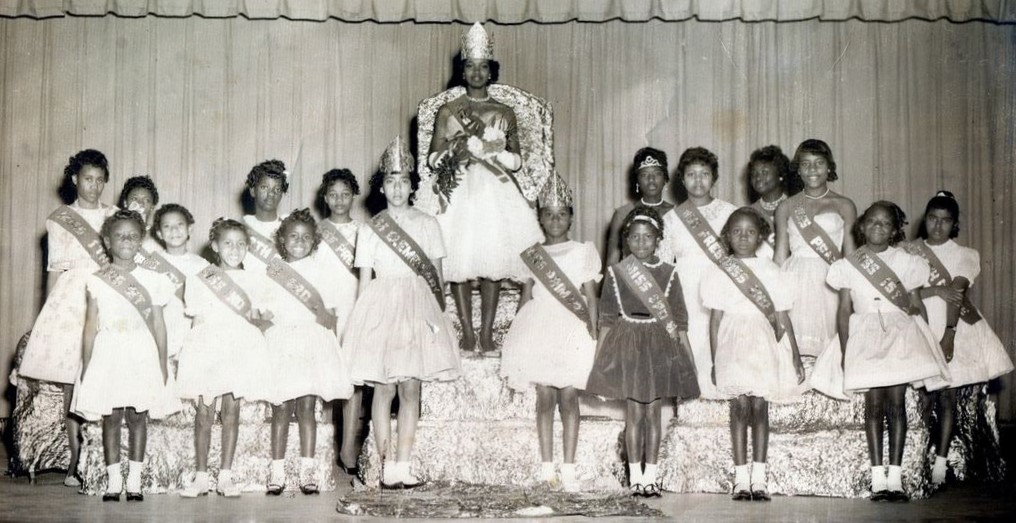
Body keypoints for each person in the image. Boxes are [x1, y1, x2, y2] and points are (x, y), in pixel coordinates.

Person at [810, 201, 950, 502]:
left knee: (896, 405)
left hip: (898, 336)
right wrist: (847, 351)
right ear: (861, 226)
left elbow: (916, 304)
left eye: (885, 223)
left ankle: (896, 478)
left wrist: (926, 342)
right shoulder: (848, 264)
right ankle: (877, 478)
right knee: (873, 406)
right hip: (863, 336)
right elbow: (844, 310)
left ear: (895, 230)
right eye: (872, 221)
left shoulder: (906, 261)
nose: (878, 227)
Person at [345, 137, 461, 489]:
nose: (397, 188)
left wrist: (439, 321)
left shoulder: (428, 224)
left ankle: (403, 464)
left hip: (416, 305)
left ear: (413, 185)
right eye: (390, 182)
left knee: (411, 389)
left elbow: (437, 281)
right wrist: (361, 324)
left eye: (403, 181)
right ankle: (383, 464)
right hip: (381, 307)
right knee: (384, 389)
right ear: (381, 187)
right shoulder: (370, 228)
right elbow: (365, 281)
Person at [428, 22, 543, 356]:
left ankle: (488, 331)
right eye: (470, 66)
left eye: (482, 67)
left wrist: (493, 149)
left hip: (494, 191)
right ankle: (466, 330)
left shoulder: (504, 112)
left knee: (494, 259)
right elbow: (433, 157)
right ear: (462, 71)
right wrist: (455, 151)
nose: (476, 72)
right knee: (459, 259)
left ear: (490, 71)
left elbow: (517, 161)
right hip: (460, 187)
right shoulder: (449, 111)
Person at [19, 149, 116, 487]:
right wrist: (46, 316)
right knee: (71, 384)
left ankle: (106, 459)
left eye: (100, 180)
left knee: (102, 377)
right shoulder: (60, 219)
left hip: (107, 297)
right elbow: (54, 271)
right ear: (75, 179)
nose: (94, 186)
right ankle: (76, 460)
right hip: (71, 300)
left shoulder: (116, 216)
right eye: (88, 179)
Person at [587, 206, 699, 497]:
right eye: (634, 237)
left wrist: (688, 357)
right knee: (633, 414)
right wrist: (599, 358)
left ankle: (652, 475)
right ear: (626, 239)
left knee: (653, 414)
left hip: (658, 347)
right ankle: (636, 477)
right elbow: (607, 319)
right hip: (629, 346)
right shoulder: (616, 273)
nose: (640, 243)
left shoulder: (669, 273)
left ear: (658, 239)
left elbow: (680, 320)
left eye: (647, 237)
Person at [500, 173, 600, 492]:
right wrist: (517, 337)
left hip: (572, 329)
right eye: (548, 214)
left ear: (571, 216)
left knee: (569, 398)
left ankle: (568, 467)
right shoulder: (533, 255)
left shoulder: (584, 250)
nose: (555, 220)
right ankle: (547, 467)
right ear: (540, 218)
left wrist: (594, 332)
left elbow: (590, 297)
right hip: (539, 328)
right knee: (544, 397)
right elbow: (525, 297)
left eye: (561, 214)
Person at [71, 210, 180, 502]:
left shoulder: (153, 279)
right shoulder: (98, 280)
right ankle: (113, 481)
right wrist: (87, 365)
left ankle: (134, 481)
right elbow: (90, 325)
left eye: (133, 235)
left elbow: (158, 323)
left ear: (141, 240)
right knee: (111, 416)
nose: (126, 241)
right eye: (119, 235)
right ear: (107, 241)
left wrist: (161, 361)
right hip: (109, 351)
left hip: (140, 351)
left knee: (137, 416)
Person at [910, 191, 1014, 487]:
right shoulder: (909, 250)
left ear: (954, 224)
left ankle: (940, 467)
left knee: (947, 397)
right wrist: (933, 291)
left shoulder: (965, 254)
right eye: (933, 219)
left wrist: (949, 334)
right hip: (920, 322)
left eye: (945, 221)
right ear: (925, 220)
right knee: (922, 399)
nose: (938, 226)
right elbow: (906, 290)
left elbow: (956, 291)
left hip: (951, 324)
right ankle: (918, 460)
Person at [702, 208, 805, 501]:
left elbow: (783, 316)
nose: (743, 237)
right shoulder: (718, 270)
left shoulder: (772, 271)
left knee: (760, 409)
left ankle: (759, 478)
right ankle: (740, 478)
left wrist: (795, 355)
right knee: (739, 408)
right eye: (736, 231)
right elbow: (715, 321)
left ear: (760, 236)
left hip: (762, 343)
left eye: (750, 231)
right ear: (727, 236)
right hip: (732, 345)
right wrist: (714, 359)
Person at [177, 218, 274, 498]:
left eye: (241, 244)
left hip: (238, 348)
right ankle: (201, 476)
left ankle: (226, 476)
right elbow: (198, 317)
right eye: (228, 243)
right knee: (204, 413)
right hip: (209, 348)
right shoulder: (200, 278)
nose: (234, 249)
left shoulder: (254, 279)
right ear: (215, 246)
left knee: (232, 411)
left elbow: (259, 315)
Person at [261, 209, 354, 495]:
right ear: (282, 240)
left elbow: (331, 308)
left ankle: (307, 471)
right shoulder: (273, 270)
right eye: (293, 236)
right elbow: (266, 308)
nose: (299, 242)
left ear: (314, 241)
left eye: (305, 237)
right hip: (283, 342)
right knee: (281, 408)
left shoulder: (320, 269)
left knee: (306, 409)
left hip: (311, 342)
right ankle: (276, 472)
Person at [657, 147, 738, 399]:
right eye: (691, 174)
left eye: (704, 174)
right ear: (682, 180)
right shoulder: (670, 219)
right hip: (686, 288)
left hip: (720, 286)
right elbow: (662, 264)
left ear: (714, 177)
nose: (698, 180)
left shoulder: (730, 212)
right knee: (689, 338)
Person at [773, 139, 856, 359]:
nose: (812, 169)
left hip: (831, 280)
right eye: (806, 164)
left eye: (819, 163)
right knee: (794, 349)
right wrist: (774, 294)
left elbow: (850, 256)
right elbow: (780, 256)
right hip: (795, 279)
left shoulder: (844, 205)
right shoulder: (786, 206)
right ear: (797, 169)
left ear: (829, 167)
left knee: (831, 349)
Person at [313, 168, 366, 475]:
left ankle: (347, 450)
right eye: (333, 194)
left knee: (353, 380)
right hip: (325, 309)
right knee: (325, 376)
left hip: (354, 308)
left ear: (353, 195)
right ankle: (322, 447)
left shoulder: (364, 231)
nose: (339, 200)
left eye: (345, 194)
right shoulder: (317, 231)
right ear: (324, 197)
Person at [146, 204, 209, 360]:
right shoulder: (152, 263)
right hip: (161, 331)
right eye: (167, 226)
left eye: (179, 225)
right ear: (159, 233)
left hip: (190, 334)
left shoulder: (202, 265)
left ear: (190, 229)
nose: (174, 230)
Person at [606, 148, 674, 265]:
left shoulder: (676, 213)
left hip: (667, 281)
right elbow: (612, 261)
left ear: (665, 179)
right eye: (644, 174)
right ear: (637, 181)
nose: (651, 179)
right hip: (629, 281)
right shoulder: (622, 213)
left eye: (657, 174)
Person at [242, 159, 289, 275]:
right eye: (264, 187)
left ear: (282, 194)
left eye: (277, 189)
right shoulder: (241, 227)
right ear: (253, 191)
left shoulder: (290, 226)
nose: (271, 194)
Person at [746, 145, 793, 257]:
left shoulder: (795, 207)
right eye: (754, 174)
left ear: (780, 175)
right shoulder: (748, 212)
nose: (758, 178)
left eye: (764, 172)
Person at [117, 175, 162, 254]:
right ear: (125, 203)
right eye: (135, 199)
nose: (140, 203)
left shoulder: (158, 235)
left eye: (146, 200)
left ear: (152, 207)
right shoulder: (114, 228)